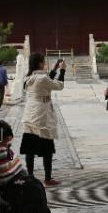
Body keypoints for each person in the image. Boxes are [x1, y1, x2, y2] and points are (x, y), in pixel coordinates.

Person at [19, 52, 65, 186]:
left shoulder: (28, 77)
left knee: (30, 148)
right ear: (40, 63)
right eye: (43, 61)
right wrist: (62, 70)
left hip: (30, 114)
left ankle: (31, 176)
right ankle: (48, 177)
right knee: (47, 149)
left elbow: (46, 80)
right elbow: (58, 85)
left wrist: (55, 68)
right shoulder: (42, 79)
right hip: (42, 115)